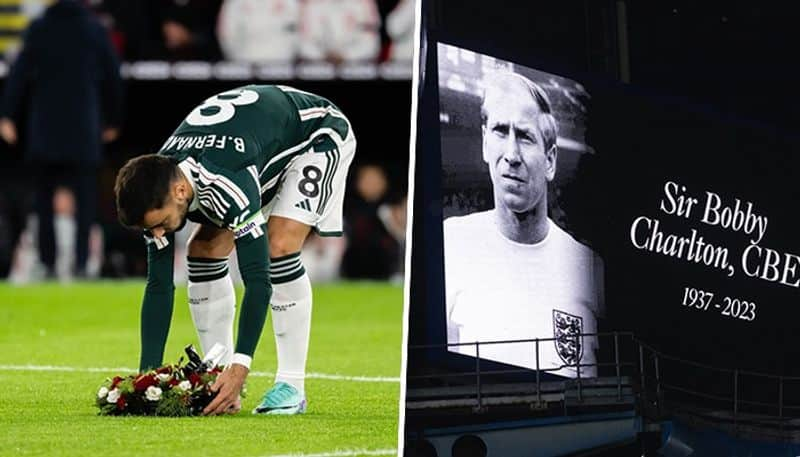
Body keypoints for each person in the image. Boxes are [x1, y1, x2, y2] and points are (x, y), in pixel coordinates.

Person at [113, 84, 355, 415]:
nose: (157, 233)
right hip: (259, 144)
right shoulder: (158, 183)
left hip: (316, 133)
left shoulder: (225, 184)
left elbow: (258, 282)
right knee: (202, 251)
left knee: (279, 245)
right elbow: (158, 285)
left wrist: (241, 368)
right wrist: (146, 378)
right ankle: (217, 381)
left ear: (181, 191)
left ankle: (291, 385)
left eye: (160, 223)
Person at [443, 71, 603, 378]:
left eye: (526, 137)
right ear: (485, 143)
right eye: (501, 131)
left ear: (551, 160)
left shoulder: (589, 266)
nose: (512, 155)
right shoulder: (450, 244)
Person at [0, 0, 123, 279]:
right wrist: (114, 118)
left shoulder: (40, 27)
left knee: (44, 200)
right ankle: (81, 264)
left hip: (45, 127)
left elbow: (18, 74)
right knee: (86, 201)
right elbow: (113, 76)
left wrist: (7, 114)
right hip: (83, 127)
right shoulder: (94, 28)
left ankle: (48, 263)